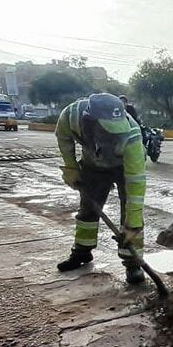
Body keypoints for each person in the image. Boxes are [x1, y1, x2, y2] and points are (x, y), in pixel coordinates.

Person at [55, 93, 147, 284]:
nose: (112, 137)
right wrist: (71, 167)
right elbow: (63, 137)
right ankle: (82, 252)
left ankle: (133, 264)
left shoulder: (132, 136)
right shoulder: (71, 116)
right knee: (88, 210)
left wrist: (133, 224)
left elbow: (136, 185)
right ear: (90, 122)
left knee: (129, 214)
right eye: (107, 130)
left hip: (123, 168)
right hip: (93, 167)